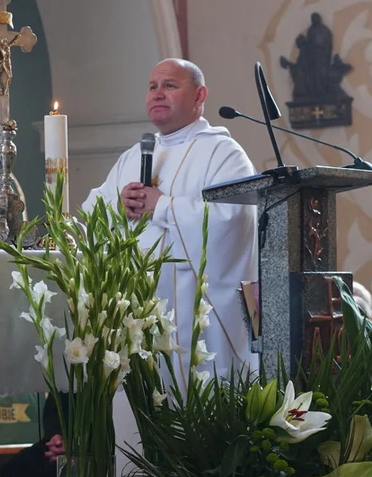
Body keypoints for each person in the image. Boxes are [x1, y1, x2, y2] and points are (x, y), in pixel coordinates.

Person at [83, 58, 258, 381]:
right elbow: (90, 214)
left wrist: (163, 207)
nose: (158, 93)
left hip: (195, 320)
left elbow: (232, 222)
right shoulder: (131, 157)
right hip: (135, 316)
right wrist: (117, 207)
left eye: (170, 85)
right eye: (152, 87)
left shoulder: (224, 154)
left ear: (199, 95)